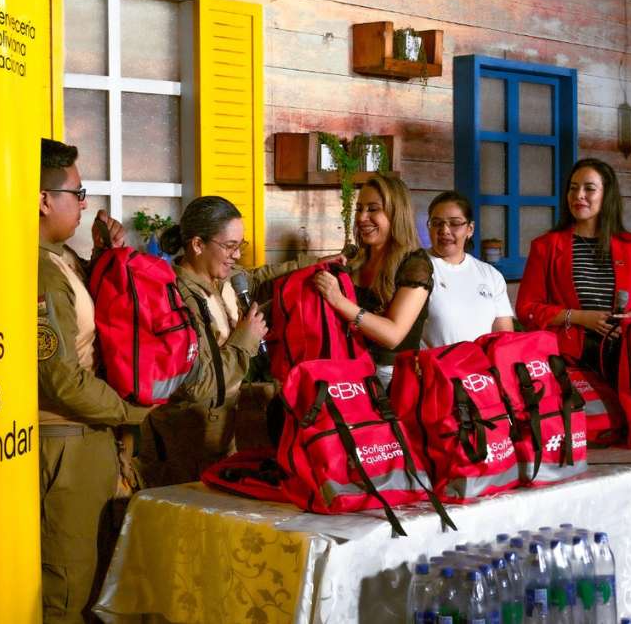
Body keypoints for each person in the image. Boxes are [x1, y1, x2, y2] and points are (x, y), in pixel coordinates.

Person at [137, 196, 332, 486]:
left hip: (222, 431)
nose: (237, 255)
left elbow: (260, 277)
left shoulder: (223, 279)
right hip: (187, 440)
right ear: (197, 245)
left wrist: (315, 265)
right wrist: (245, 341)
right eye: (229, 246)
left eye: (240, 246)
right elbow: (197, 384)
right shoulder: (177, 299)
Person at [36, 138, 149, 623]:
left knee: (98, 584)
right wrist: (133, 409)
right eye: (78, 194)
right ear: (43, 199)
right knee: (68, 588)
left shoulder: (61, 258)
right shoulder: (37, 273)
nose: (85, 205)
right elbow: (60, 379)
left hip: (92, 441)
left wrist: (105, 254)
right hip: (66, 444)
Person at [515, 158, 631, 375]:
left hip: (627, 358)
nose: (578, 195)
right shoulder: (545, 246)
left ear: (606, 194)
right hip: (567, 360)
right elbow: (526, 309)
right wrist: (580, 317)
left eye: (589, 188)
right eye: (573, 188)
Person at [313, 174, 433, 386]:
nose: (361, 218)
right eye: (359, 209)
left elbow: (392, 335)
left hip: (390, 378)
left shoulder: (415, 264)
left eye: (373, 209)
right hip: (347, 367)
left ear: (396, 214)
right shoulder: (355, 257)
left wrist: (339, 300)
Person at [421, 190, 514, 347]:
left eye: (455, 223)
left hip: (481, 369)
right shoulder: (417, 267)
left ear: (470, 229)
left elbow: (504, 339)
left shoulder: (490, 275)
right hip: (435, 368)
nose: (444, 230)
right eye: (437, 223)